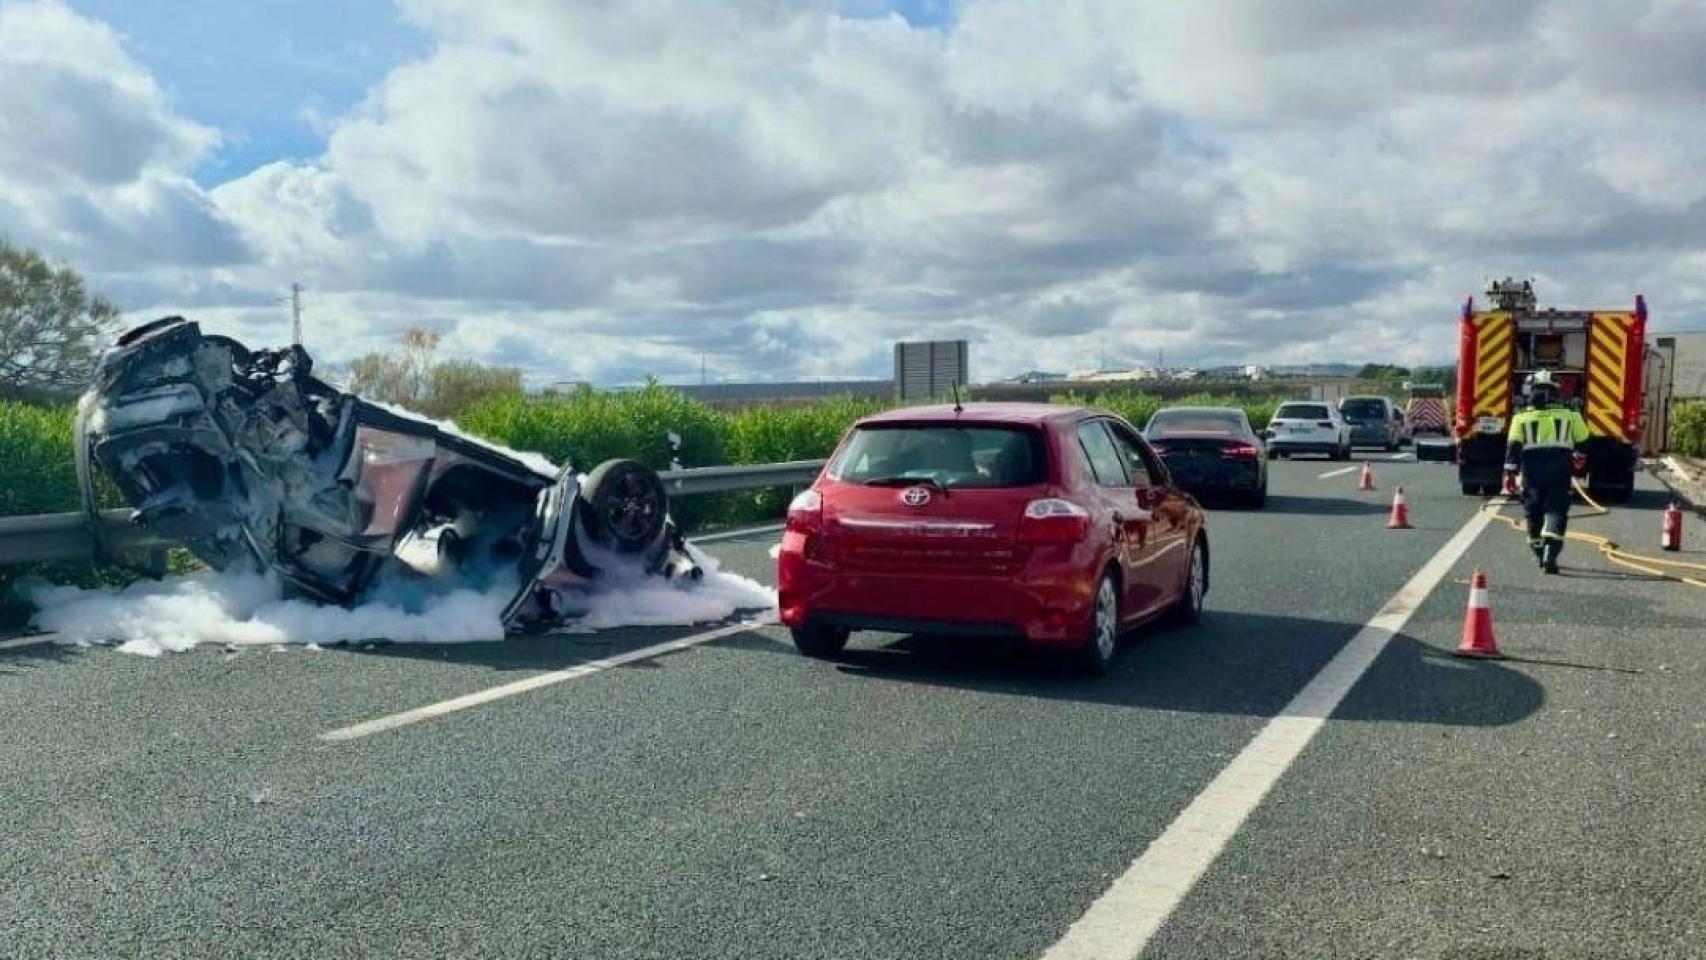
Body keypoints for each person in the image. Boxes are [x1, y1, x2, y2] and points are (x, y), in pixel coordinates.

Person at [1503, 370, 1591, 574]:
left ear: (1531, 391)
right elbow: (1584, 442)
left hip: (1532, 473)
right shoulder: (1571, 415)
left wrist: (1509, 475)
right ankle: (1551, 551)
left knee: (1533, 511)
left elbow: (1513, 448)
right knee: (1557, 510)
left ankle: (1539, 550)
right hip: (1559, 471)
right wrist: (1579, 459)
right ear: (1556, 392)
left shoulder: (1520, 418)